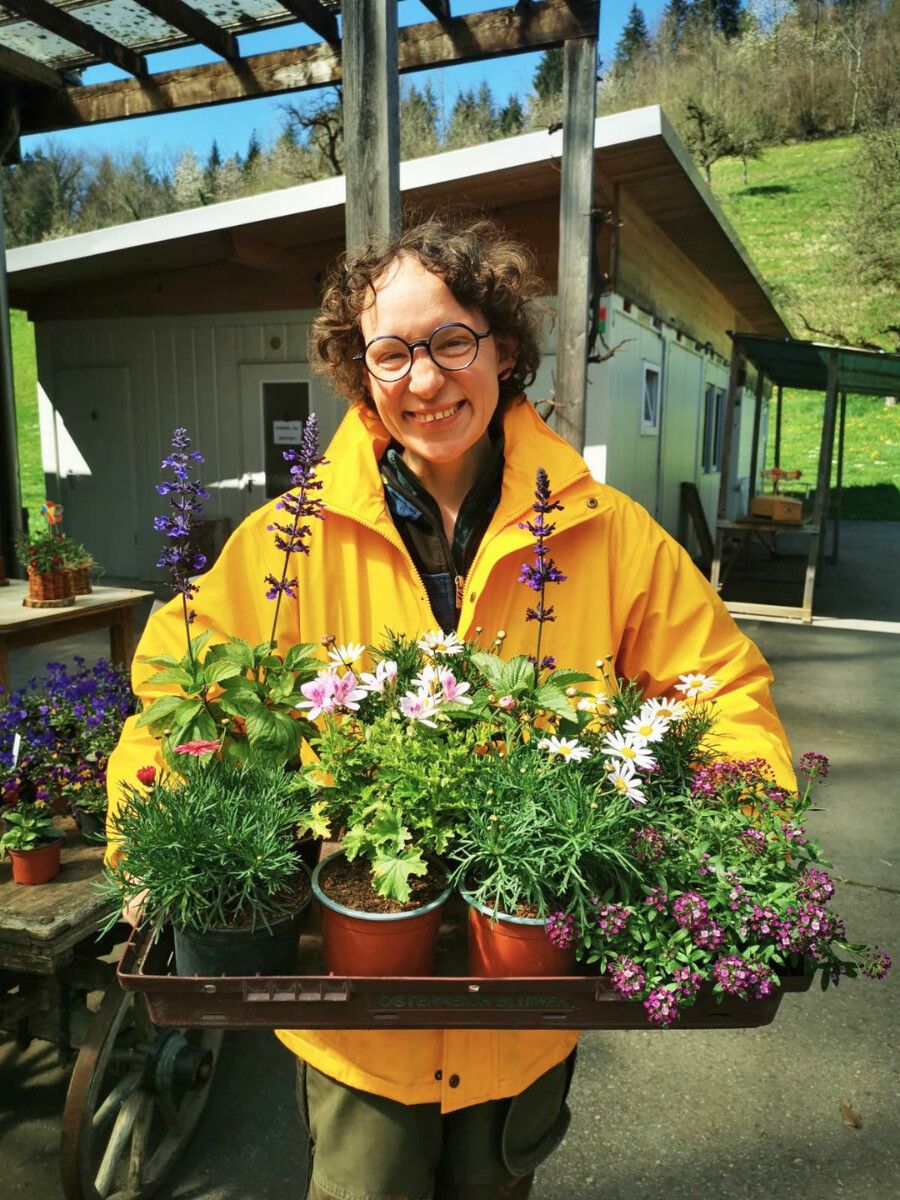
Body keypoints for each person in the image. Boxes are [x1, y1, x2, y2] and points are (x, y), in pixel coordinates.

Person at [106, 215, 794, 1199]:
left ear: (503, 349)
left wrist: (740, 824)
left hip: (526, 993)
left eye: (451, 342)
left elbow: (718, 685)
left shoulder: (606, 534)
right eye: (391, 353)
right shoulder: (287, 540)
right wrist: (157, 839)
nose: (424, 380)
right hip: (359, 1001)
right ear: (361, 373)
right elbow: (178, 694)